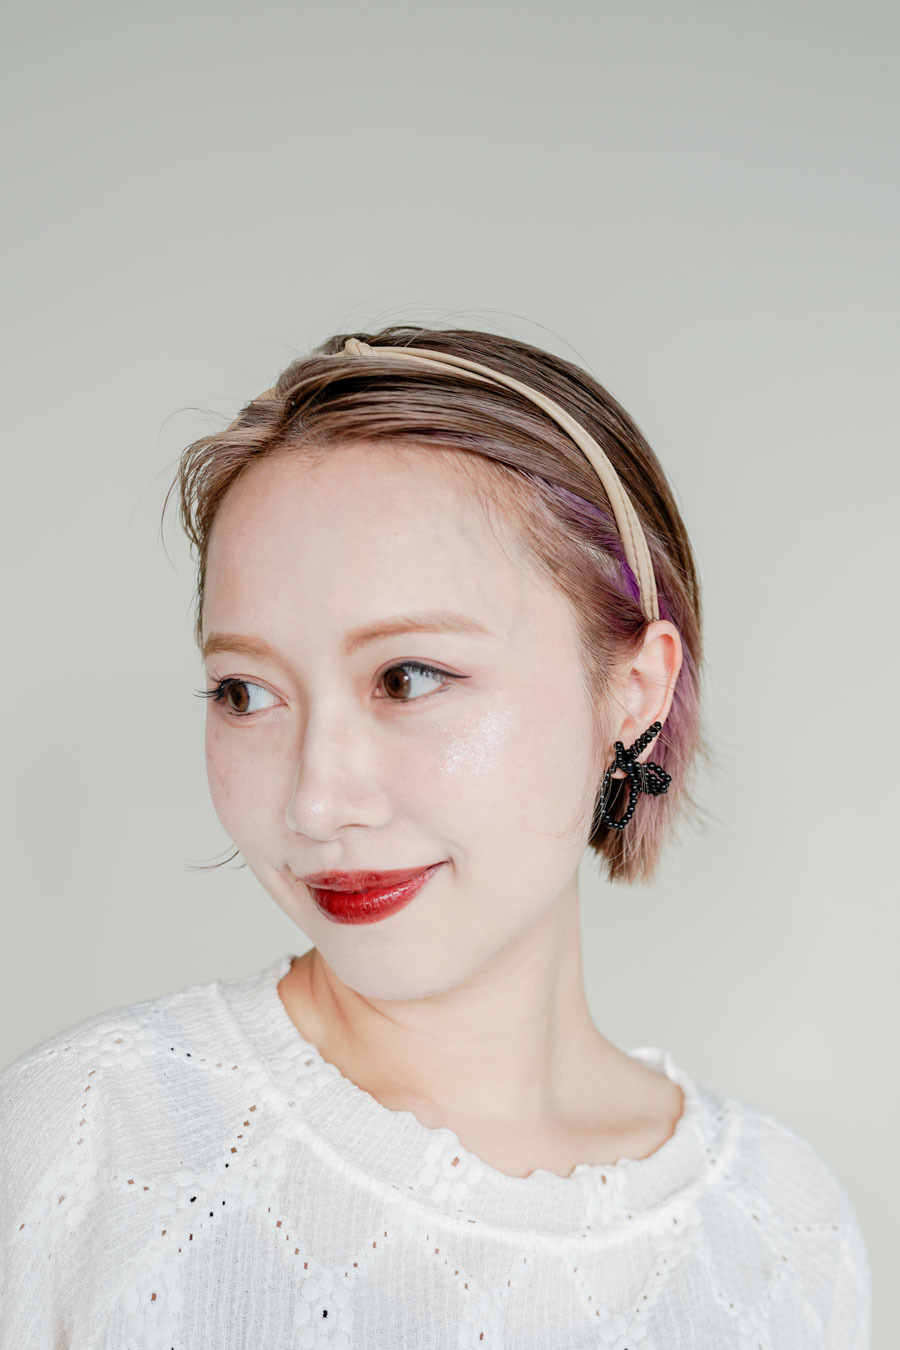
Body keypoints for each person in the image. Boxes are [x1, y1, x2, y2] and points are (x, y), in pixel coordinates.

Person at [0, 326, 871, 1346]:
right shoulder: (91, 1142)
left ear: (634, 691)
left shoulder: (783, 1231)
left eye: (408, 678)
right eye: (245, 691)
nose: (316, 802)